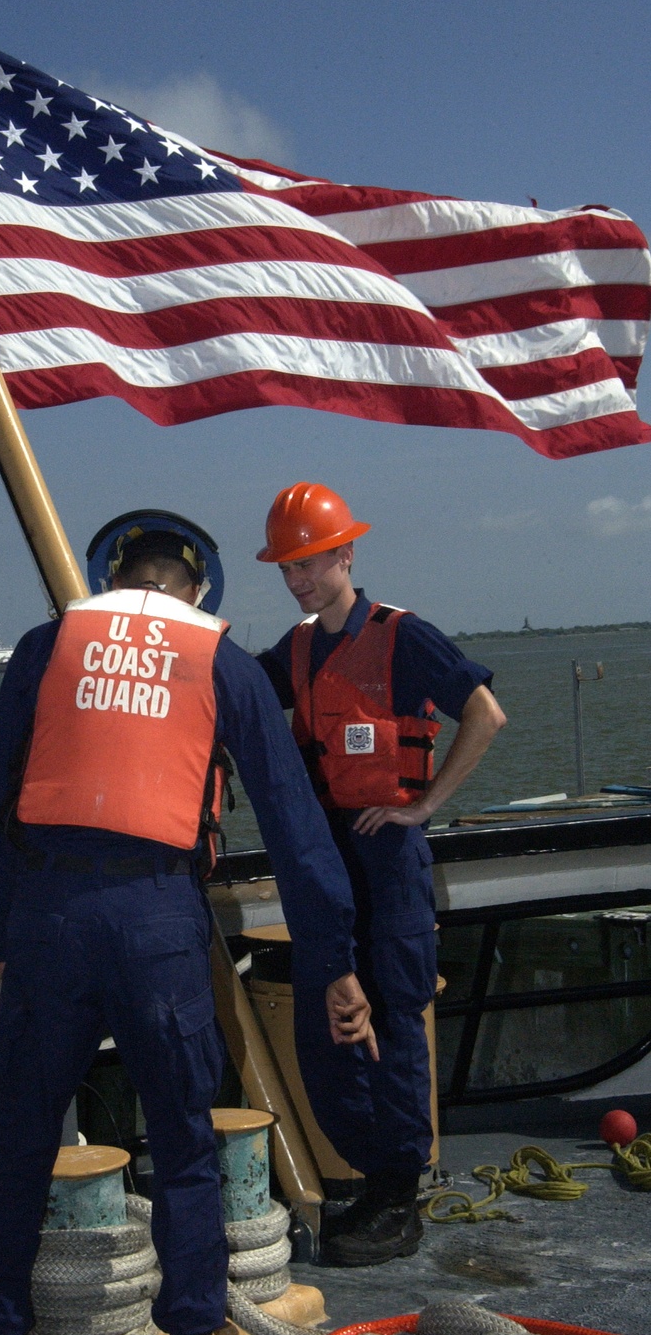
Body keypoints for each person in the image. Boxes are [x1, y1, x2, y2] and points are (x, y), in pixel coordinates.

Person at [0, 511, 373, 1335]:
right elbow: (297, 833)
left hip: (48, 919)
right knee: (180, 1143)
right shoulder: (222, 658)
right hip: (157, 924)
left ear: (110, 577)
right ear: (197, 588)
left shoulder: (48, 645)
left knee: (16, 1139)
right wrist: (334, 963)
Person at [256, 482, 506, 1267]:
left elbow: (485, 713)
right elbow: (232, 704)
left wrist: (423, 804)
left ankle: (400, 1195)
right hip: (325, 861)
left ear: (345, 554)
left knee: (395, 1020)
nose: (297, 580)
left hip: (388, 857)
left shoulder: (403, 636)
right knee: (332, 1020)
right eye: (286, 567)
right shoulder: (292, 652)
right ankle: (371, 1175)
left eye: (309, 562)